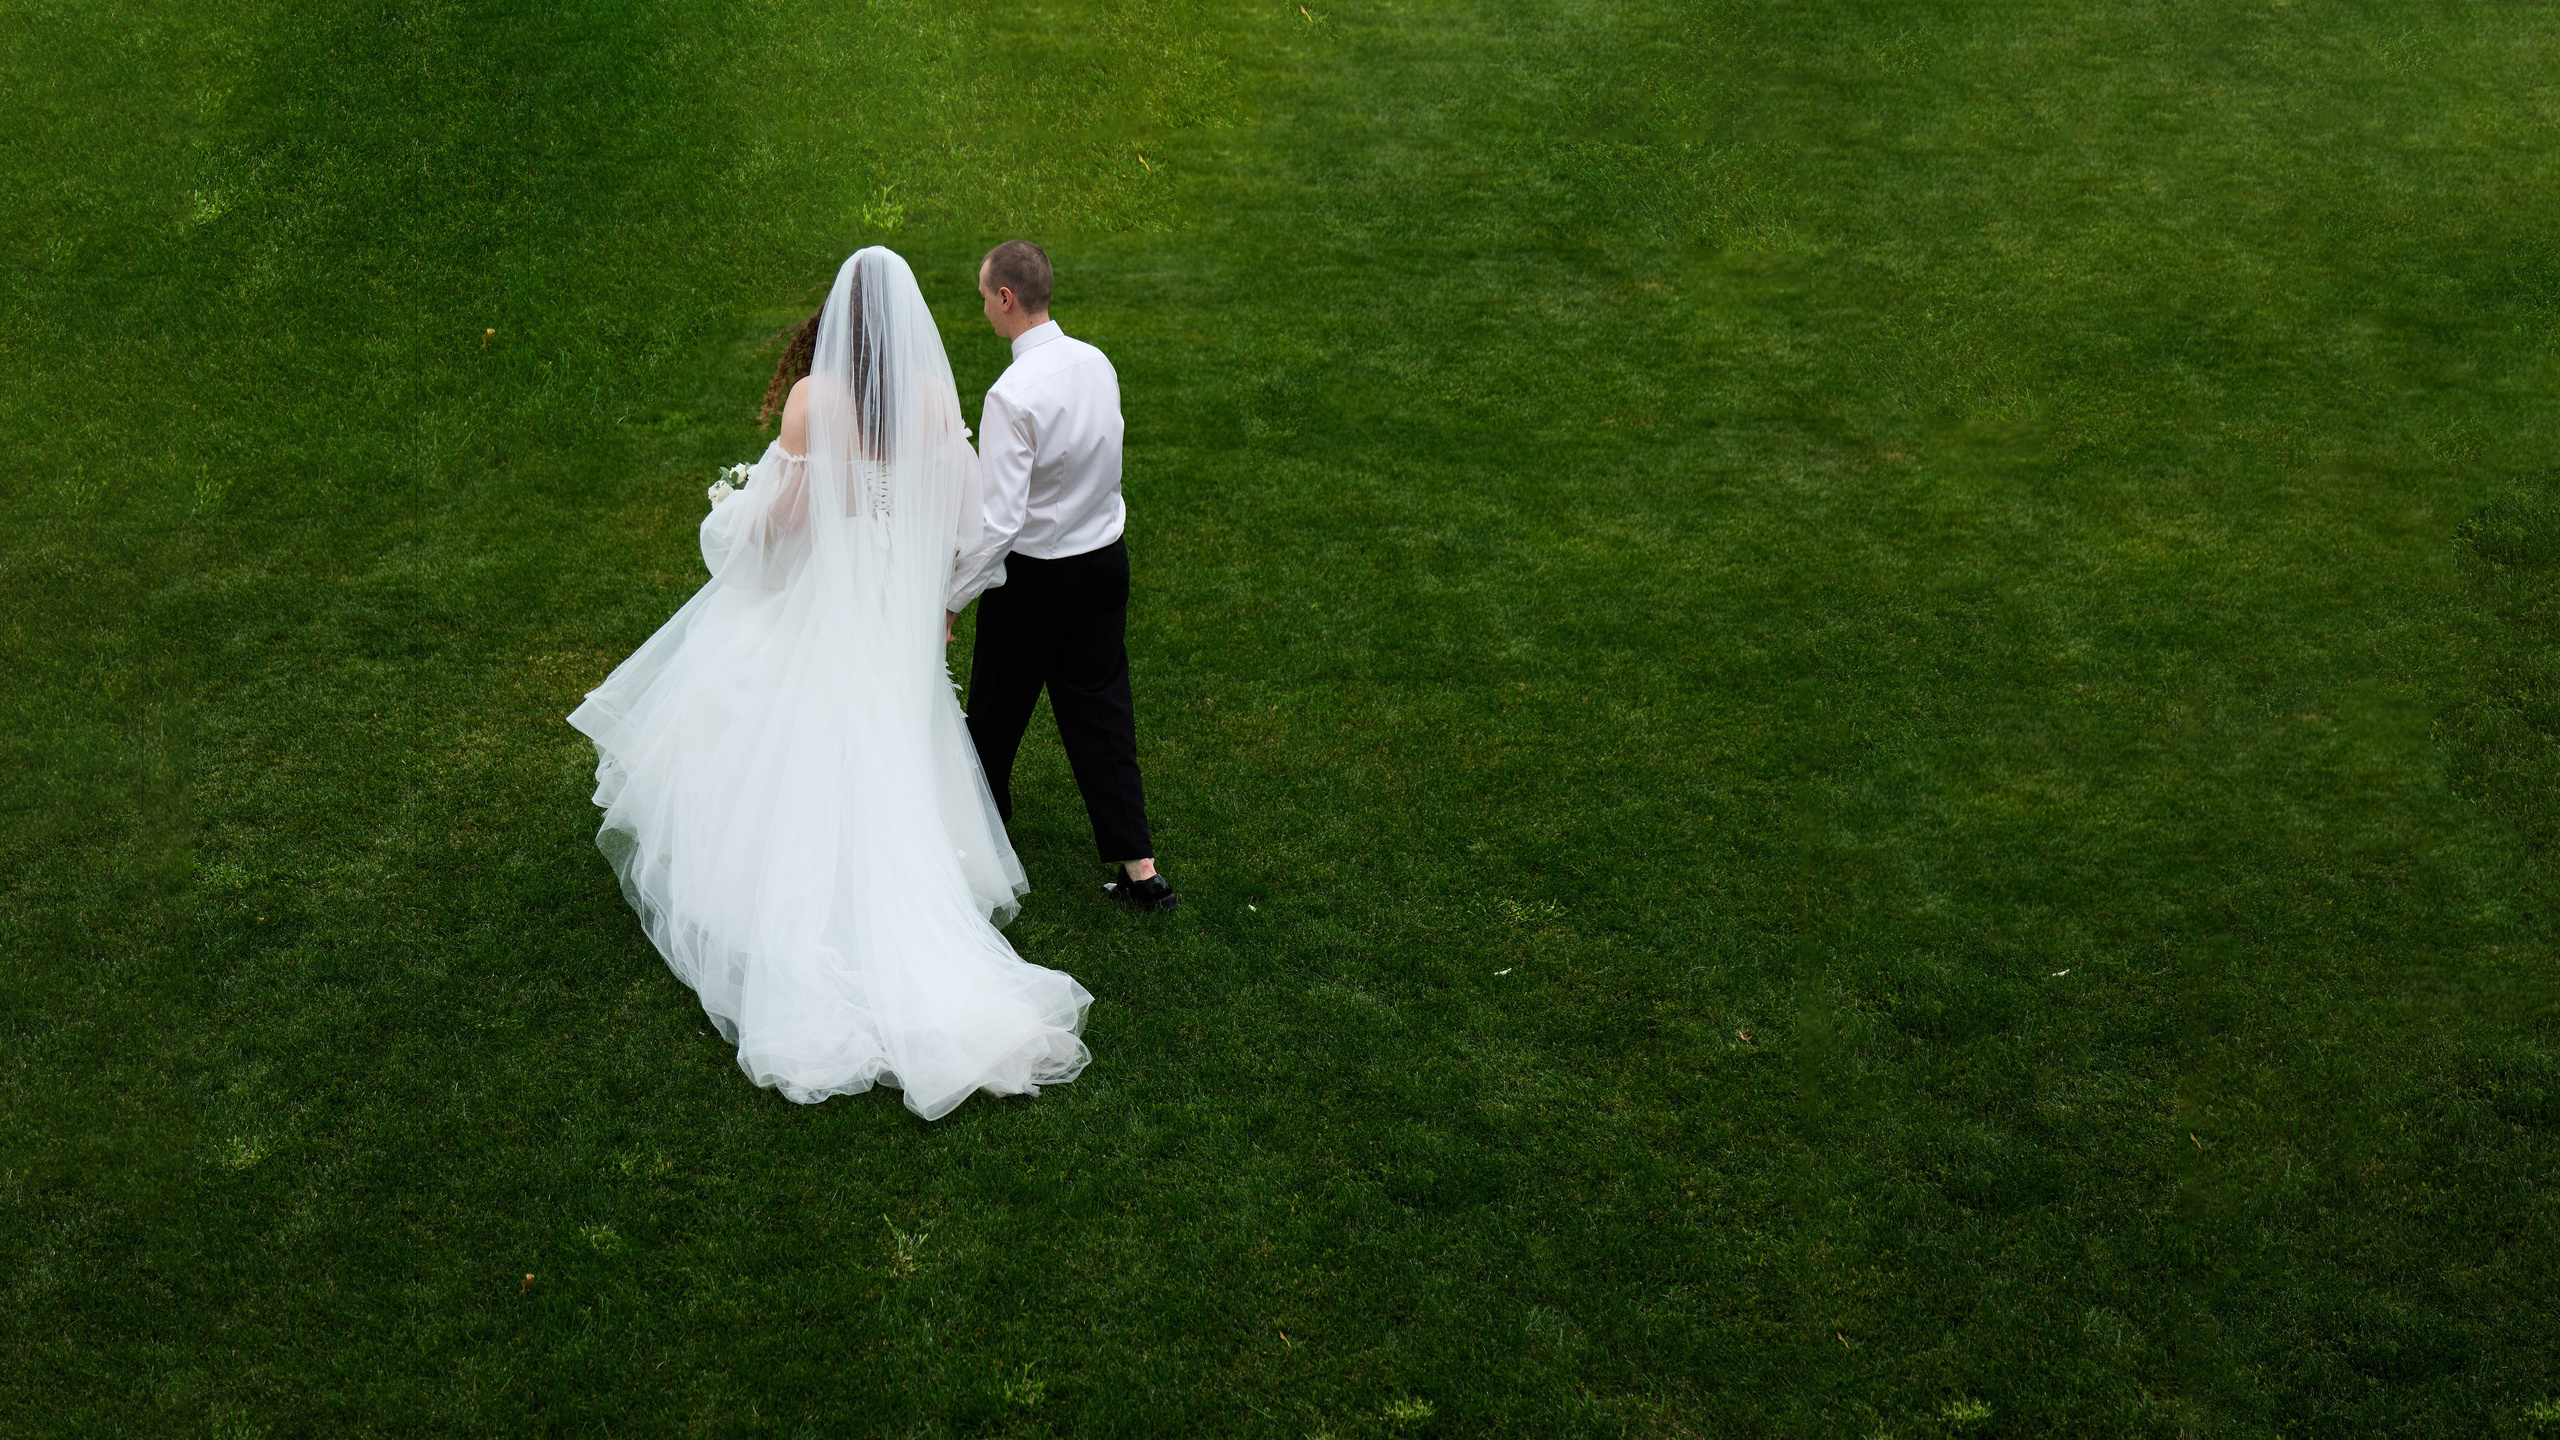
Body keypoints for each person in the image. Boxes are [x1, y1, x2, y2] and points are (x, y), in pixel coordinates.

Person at [568, 247, 1091, 1119]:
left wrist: (736, 509)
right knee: (886, 740)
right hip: (893, 616)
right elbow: (962, 523)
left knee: (766, 711)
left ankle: (791, 895)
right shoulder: (934, 402)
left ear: (839, 324)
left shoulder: (815, 404)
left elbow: (781, 532)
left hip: (827, 610)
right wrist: (936, 605)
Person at [946, 240, 1177, 913]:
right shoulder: (1096, 362)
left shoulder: (1010, 395)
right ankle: (1142, 873)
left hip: (1038, 579)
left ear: (1007, 298)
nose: (983, 307)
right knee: (1102, 710)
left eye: (984, 295)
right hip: (1105, 561)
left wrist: (953, 600)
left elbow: (1000, 523)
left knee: (993, 714)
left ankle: (972, 851)